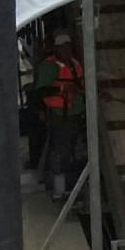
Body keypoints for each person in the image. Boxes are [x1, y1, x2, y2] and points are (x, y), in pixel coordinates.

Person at [32, 30, 85, 198]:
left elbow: (82, 85)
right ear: (56, 49)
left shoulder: (75, 65)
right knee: (60, 150)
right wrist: (62, 89)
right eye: (62, 47)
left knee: (73, 149)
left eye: (68, 47)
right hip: (58, 114)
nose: (66, 51)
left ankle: (72, 186)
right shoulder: (49, 66)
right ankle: (59, 189)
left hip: (76, 113)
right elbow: (40, 92)